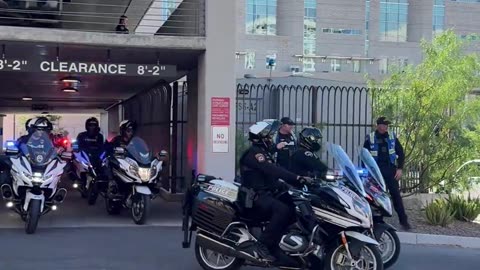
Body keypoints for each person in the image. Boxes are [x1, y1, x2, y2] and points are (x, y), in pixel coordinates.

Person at [239, 119, 312, 264]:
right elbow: (273, 170)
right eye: (269, 136)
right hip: (254, 197)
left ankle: (279, 243)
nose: (272, 139)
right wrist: (296, 177)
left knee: (292, 206)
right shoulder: (254, 154)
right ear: (262, 138)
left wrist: (292, 186)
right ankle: (262, 245)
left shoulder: (263, 152)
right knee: (282, 210)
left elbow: (271, 179)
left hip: (265, 193)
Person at [363, 117, 411, 231]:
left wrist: (400, 169)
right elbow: (364, 156)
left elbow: (401, 153)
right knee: (376, 197)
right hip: (376, 172)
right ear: (378, 125)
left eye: (386, 125)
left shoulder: (392, 137)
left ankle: (403, 221)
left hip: (390, 171)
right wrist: (365, 172)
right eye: (383, 125)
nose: (385, 127)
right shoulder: (370, 138)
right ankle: (378, 221)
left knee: (396, 196)